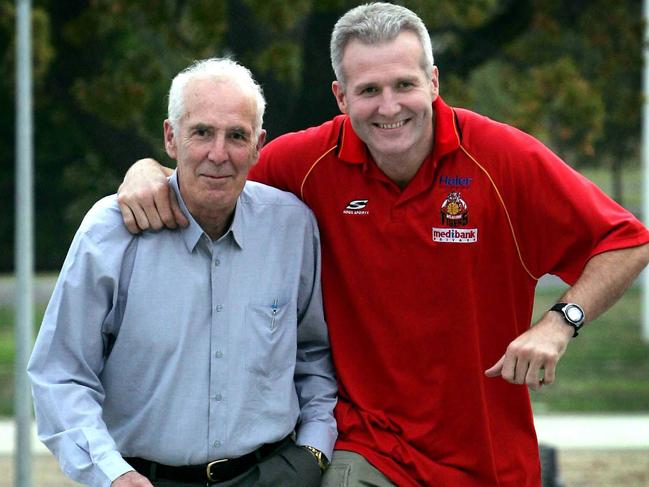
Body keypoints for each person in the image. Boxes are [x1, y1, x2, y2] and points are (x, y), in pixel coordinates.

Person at [116, 3, 649, 487]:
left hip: (490, 458)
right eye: (369, 90)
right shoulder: (304, 165)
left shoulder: (502, 159)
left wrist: (560, 323)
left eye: (404, 84)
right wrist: (145, 170)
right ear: (341, 96)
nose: (389, 106)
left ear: (434, 82)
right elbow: (213, 172)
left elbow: (627, 240)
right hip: (366, 450)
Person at [28, 58, 338, 487]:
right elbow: (60, 374)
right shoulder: (111, 232)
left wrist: (314, 450)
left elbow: (313, 356)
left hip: (273, 474)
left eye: (236, 136)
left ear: (258, 145)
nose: (218, 153)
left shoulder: (293, 228)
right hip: (143, 478)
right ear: (170, 138)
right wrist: (111, 474)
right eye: (202, 132)